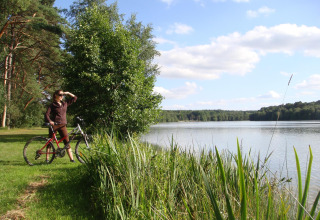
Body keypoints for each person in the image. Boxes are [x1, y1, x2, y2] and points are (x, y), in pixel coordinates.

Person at [45, 90, 77, 163]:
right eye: (60, 95)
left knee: (67, 142)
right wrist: (50, 121)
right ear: (55, 95)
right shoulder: (52, 105)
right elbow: (47, 114)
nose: (61, 96)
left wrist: (68, 93)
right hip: (54, 125)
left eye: (62, 95)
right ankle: (47, 159)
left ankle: (71, 159)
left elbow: (75, 98)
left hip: (63, 125)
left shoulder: (64, 103)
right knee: (50, 141)